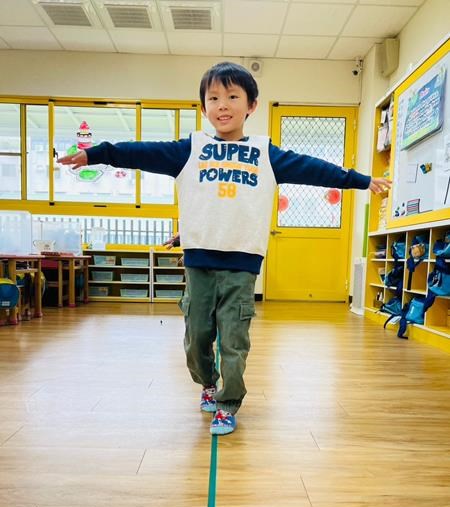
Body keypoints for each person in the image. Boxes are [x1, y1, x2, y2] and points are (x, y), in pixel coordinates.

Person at [58, 61, 391, 436]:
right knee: (197, 337)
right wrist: (97, 153)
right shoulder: (191, 150)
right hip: (199, 263)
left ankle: (228, 403)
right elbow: (141, 153)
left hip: (241, 266)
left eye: (233, 96)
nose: (222, 105)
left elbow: (314, 169)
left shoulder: (266, 154)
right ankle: (208, 383)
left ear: (251, 105)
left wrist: (360, 180)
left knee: (234, 339)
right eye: (213, 98)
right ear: (204, 107)